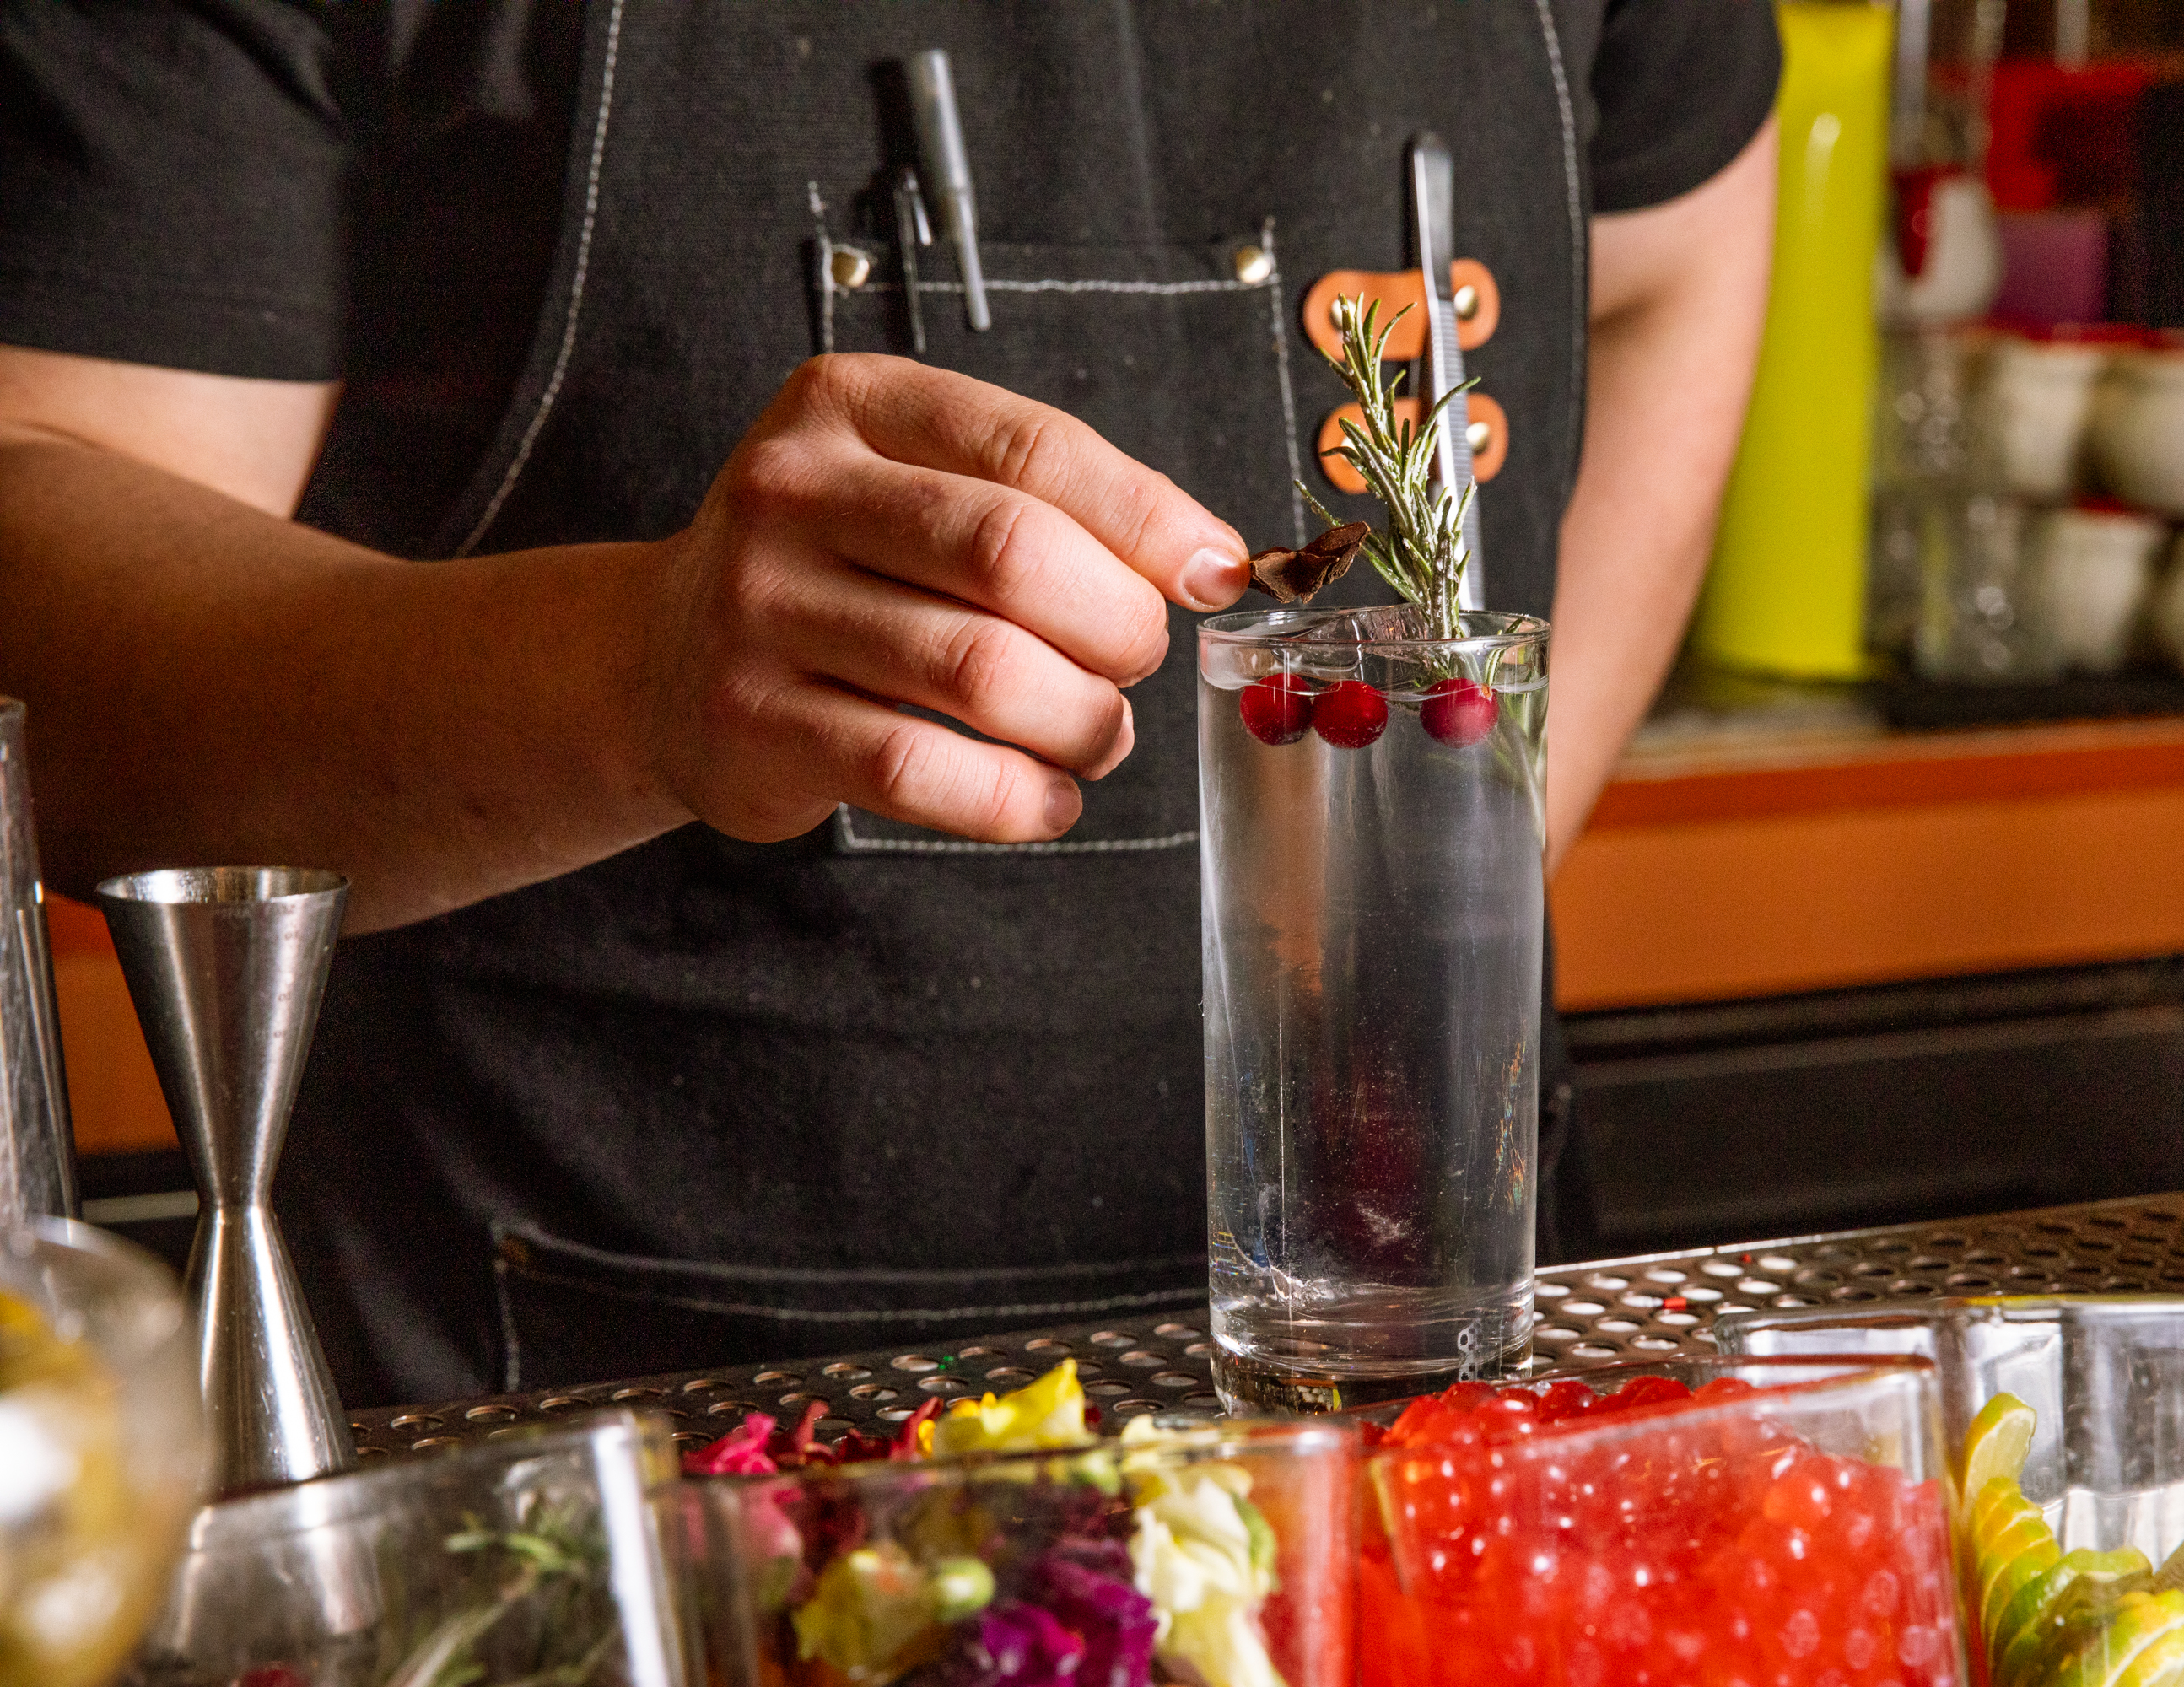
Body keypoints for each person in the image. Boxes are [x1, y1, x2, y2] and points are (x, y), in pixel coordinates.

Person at [0, 1, 1778, 1407]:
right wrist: (631, 672)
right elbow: (43, 586)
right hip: (618, 1432)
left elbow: (1675, 264)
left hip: (1435, 1404)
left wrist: (1445, 878)